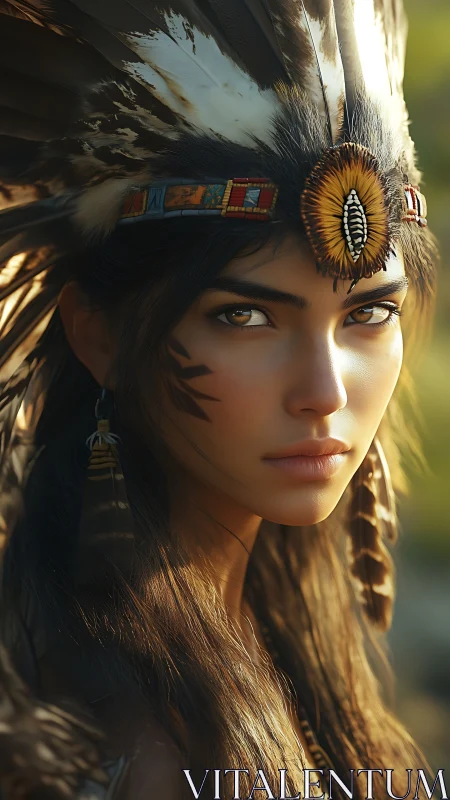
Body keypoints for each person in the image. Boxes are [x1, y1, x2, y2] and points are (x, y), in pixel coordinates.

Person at [0, 1, 438, 799]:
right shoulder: (119, 749)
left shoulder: (272, 645)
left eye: (368, 314)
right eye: (244, 317)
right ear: (99, 336)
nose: (324, 393)